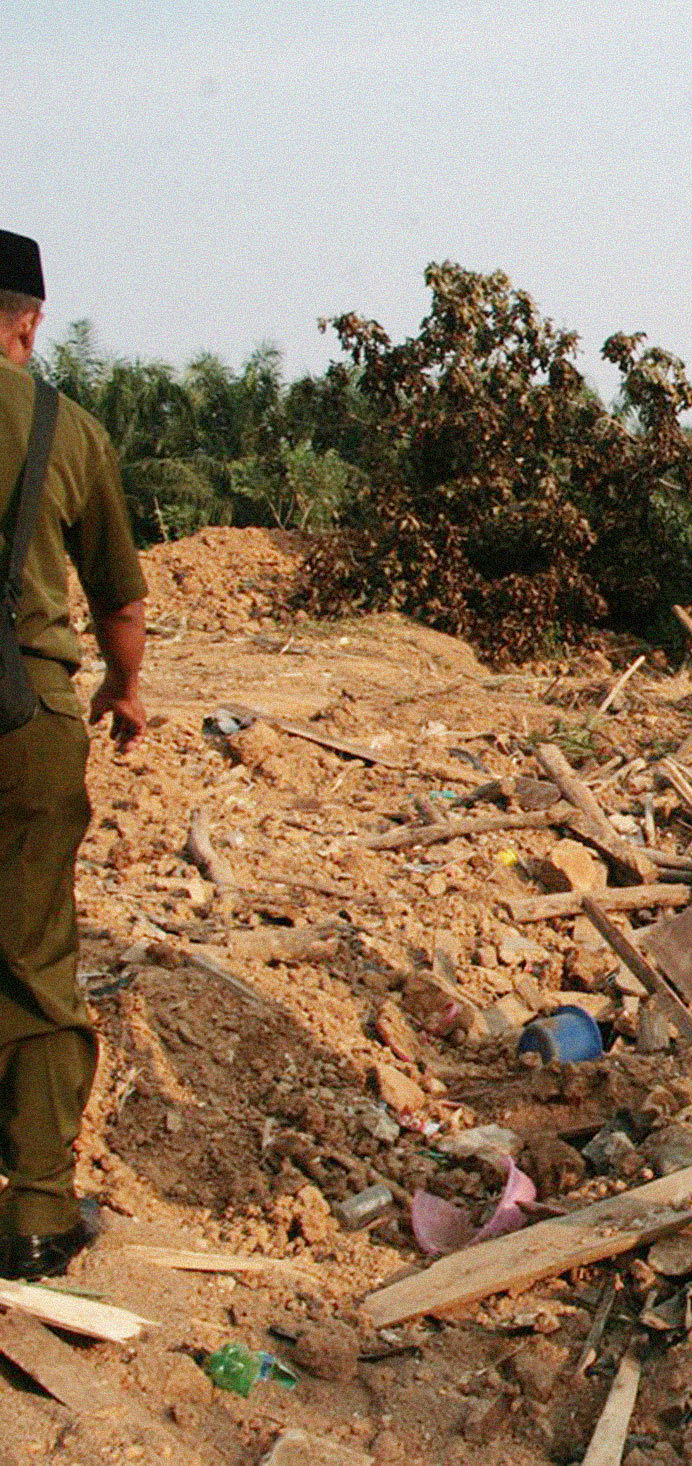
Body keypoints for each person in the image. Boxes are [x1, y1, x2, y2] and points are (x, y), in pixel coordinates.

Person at [0, 230, 147, 1281]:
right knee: (35, 955)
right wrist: (124, 688)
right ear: (28, 319)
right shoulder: (67, 430)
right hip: (27, 719)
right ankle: (40, 1212)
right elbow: (122, 603)